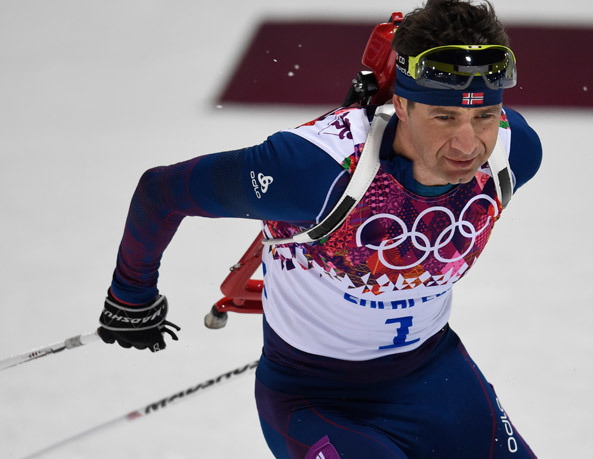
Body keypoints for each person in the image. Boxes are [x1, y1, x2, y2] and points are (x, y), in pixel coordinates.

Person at [97, 0, 542, 457]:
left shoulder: (514, 153)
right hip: (315, 398)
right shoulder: (315, 169)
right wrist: (130, 296)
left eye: (485, 115)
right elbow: (161, 192)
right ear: (403, 104)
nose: (468, 144)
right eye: (445, 117)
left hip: (437, 378)